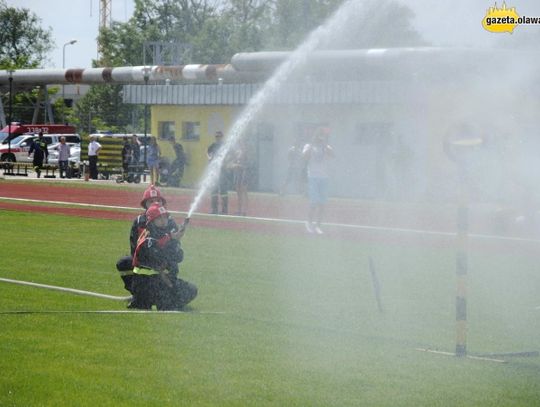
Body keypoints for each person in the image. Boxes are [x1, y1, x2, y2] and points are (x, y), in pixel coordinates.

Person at [130, 202, 197, 310]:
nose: (164, 221)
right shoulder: (148, 238)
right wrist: (172, 240)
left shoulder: (165, 236)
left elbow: (179, 257)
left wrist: (175, 242)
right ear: (152, 221)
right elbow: (158, 257)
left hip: (159, 282)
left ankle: (164, 302)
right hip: (145, 284)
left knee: (191, 290)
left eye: (165, 217)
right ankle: (151, 302)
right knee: (167, 304)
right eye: (159, 218)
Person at [302, 127, 334, 235]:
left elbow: (332, 155)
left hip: (324, 178)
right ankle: (309, 223)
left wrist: (324, 145)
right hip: (313, 177)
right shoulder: (308, 146)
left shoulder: (326, 147)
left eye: (321, 137)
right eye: (318, 137)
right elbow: (304, 156)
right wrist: (311, 144)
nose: (319, 139)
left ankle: (318, 225)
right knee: (314, 202)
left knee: (322, 203)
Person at [207, 131, 229, 214]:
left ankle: (224, 210)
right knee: (214, 190)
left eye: (219, 136)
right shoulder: (212, 146)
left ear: (222, 137)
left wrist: (225, 162)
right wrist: (210, 159)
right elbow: (208, 153)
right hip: (214, 170)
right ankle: (214, 209)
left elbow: (228, 156)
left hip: (222, 170)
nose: (217, 138)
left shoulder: (225, 146)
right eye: (216, 136)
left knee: (223, 190)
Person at [230, 141, 250, 216]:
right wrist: (235, 165)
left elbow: (246, 164)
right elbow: (232, 163)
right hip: (237, 173)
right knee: (238, 193)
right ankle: (239, 210)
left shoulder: (245, 152)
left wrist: (240, 165)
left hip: (243, 173)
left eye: (242, 143)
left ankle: (245, 210)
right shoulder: (237, 153)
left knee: (244, 191)